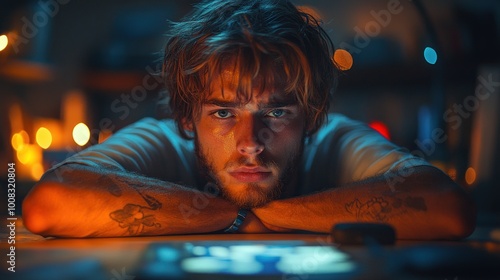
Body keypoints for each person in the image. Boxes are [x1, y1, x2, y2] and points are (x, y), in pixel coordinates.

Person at [22, 0, 475, 239]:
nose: (251, 143)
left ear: (312, 118)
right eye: (223, 112)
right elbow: (48, 204)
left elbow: (448, 208)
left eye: (276, 112)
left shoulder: (335, 139)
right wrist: (238, 218)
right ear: (186, 119)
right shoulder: (160, 139)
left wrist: (269, 215)